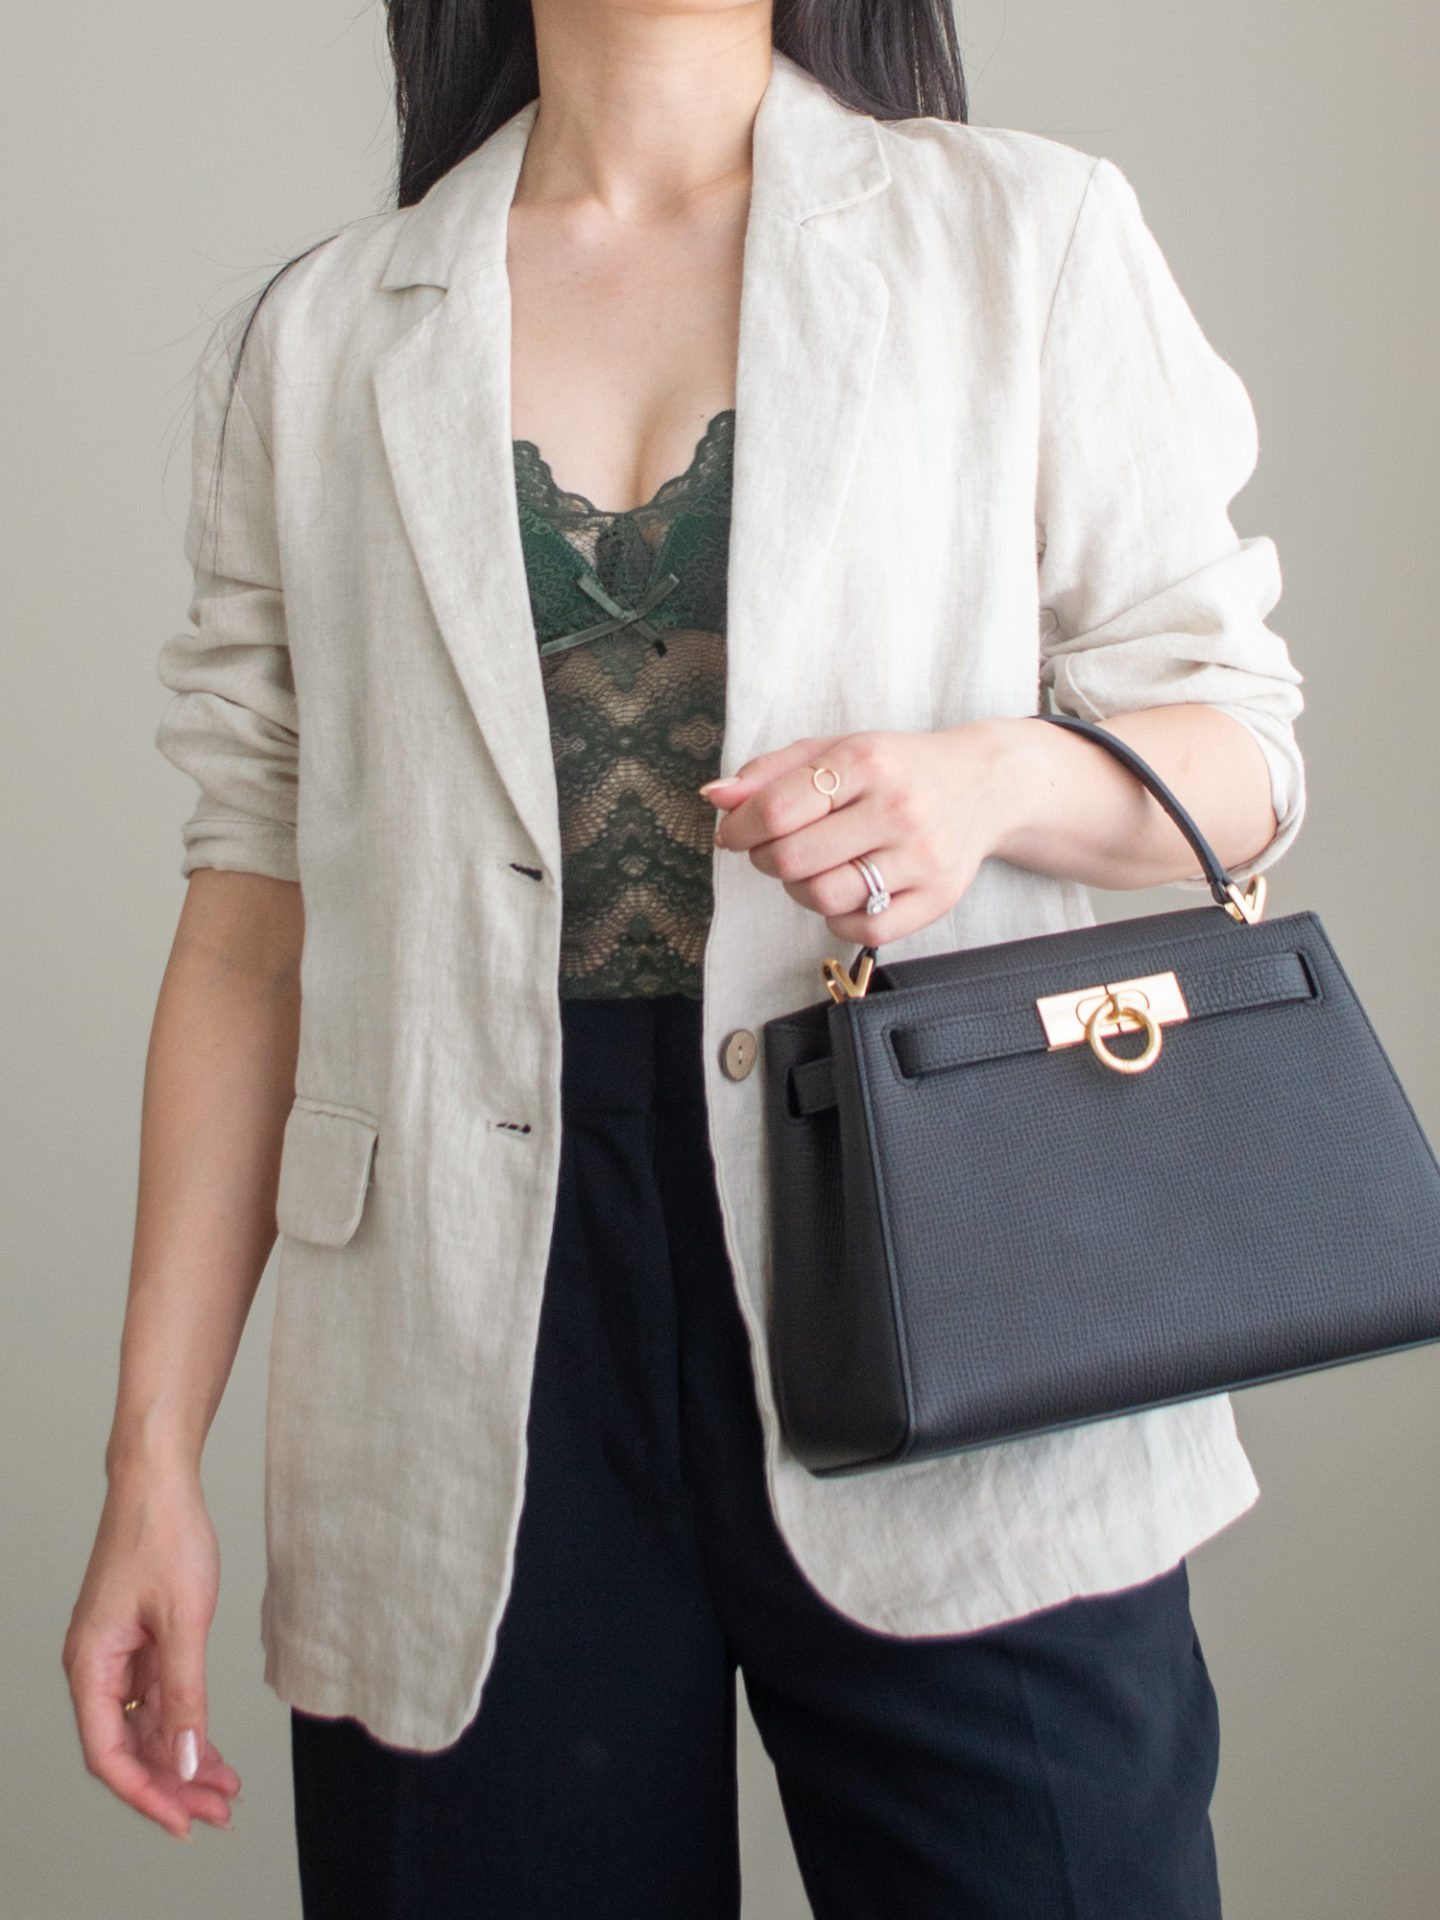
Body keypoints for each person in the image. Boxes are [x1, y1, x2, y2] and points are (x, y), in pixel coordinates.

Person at [63, 0, 1304, 1911]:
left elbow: (1242, 752)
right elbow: (249, 919)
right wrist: (153, 1455)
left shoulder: (1023, 237)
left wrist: (988, 782)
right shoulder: (314, 341)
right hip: (461, 1330)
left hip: (950, 1252)